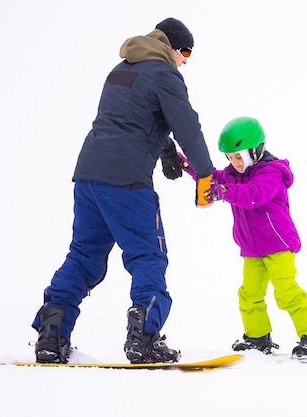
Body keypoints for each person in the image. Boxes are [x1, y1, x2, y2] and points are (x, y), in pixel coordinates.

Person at [31, 17, 215, 364]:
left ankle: (51, 336)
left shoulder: (121, 69)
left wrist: (167, 154)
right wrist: (205, 174)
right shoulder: (164, 73)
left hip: (88, 175)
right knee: (148, 255)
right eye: (185, 51)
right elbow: (187, 124)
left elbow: (132, 118)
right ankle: (144, 339)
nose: (186, 60)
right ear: (171, 47)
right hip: (127, 182)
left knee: (83, 255)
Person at [180, 116, 307, 360]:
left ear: (256, 150)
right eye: (230, 157)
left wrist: (224, 192)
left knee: (286, 292)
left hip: (278, 246)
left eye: (239, 156)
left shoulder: (272, 173)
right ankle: (258, 338)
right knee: (249, 294)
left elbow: (253, 194)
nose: (234, 162)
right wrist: (186, 165)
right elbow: (212, 177)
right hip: (252, 249)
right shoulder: (233, 175)